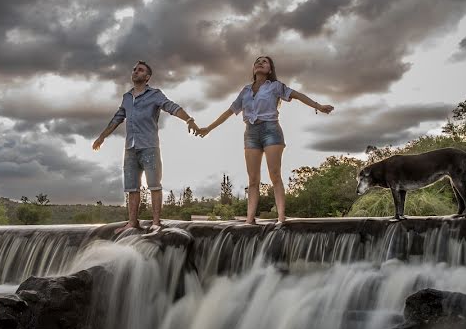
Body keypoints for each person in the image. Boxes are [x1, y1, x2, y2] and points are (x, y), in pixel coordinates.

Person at [197, 56, 334, 224]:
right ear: (253, 69)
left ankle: (281, 217)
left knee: (274, 174)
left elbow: (297, 95)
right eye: (257, 62)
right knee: (253, 179)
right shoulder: (245, 91)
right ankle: (249, 219)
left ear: (270, 70)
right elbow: (229, 111)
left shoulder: (275, 86)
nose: (259, 63)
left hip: (271, 130)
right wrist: (208, 128)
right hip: (251, 133)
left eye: (264, 62)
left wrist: (318, 107)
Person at [93, 61, 199, 232]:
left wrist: (189, 119)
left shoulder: (155, 94)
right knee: (131, 187)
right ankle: (132, 222)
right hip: (130, 149)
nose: (135, 71)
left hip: (149, 146)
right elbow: (117, 118)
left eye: (140, 70)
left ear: (147, 77)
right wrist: (102, 137)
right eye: (134, 69)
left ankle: (156, 222)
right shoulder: (127, 97)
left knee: (154, 185)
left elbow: (171, 107)